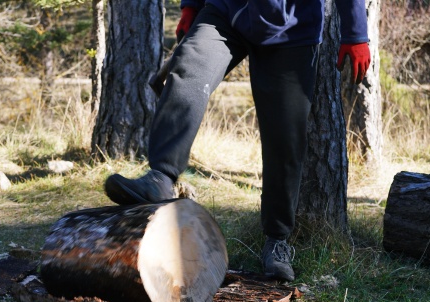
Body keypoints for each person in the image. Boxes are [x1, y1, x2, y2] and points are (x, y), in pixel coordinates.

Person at [104, 0, 371, 281]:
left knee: (285, 135)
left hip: (293, 27)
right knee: (189, 67)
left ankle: (277, 240)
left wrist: (355, 34)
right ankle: (161, 177)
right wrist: (191, 6)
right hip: (226, 12)